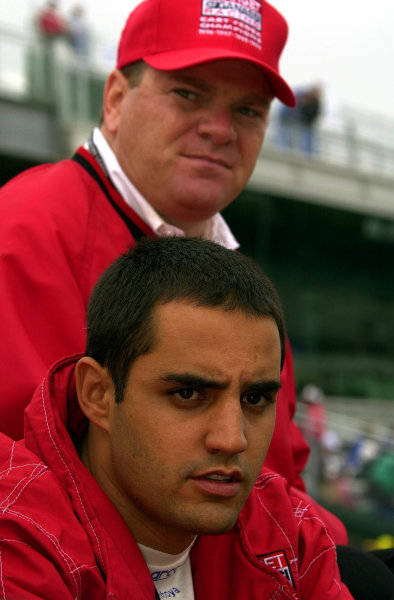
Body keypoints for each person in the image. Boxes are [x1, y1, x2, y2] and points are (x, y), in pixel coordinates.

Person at [0, 0, 346, 543]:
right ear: (115, 99)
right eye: (188, 94)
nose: (219, 129)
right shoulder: (21, 231)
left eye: (248, 111)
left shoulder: (237, 280)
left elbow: (281, 479)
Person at [0, 236, 353, 599]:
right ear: (97, 395)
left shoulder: (289, 531)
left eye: (254, 398)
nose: (232, 439)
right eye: (188, 394)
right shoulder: (17, 543)